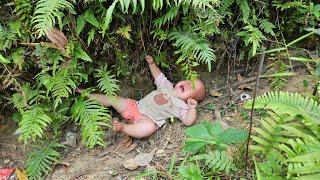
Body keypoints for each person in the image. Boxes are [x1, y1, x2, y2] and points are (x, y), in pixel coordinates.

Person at [78, 55, 206, 138]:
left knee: (148, 128)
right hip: (134, 106)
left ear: (192, 99)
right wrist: (152, 64)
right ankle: (86, 95)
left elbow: (188, 121)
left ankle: (123, 128)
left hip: (146, 119)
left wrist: (192, 108)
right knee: (113, 99)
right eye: (190, 81)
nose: (189, 84)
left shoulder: (182, 107)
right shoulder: (167, 85)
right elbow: (158, 76)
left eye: (193, 88)